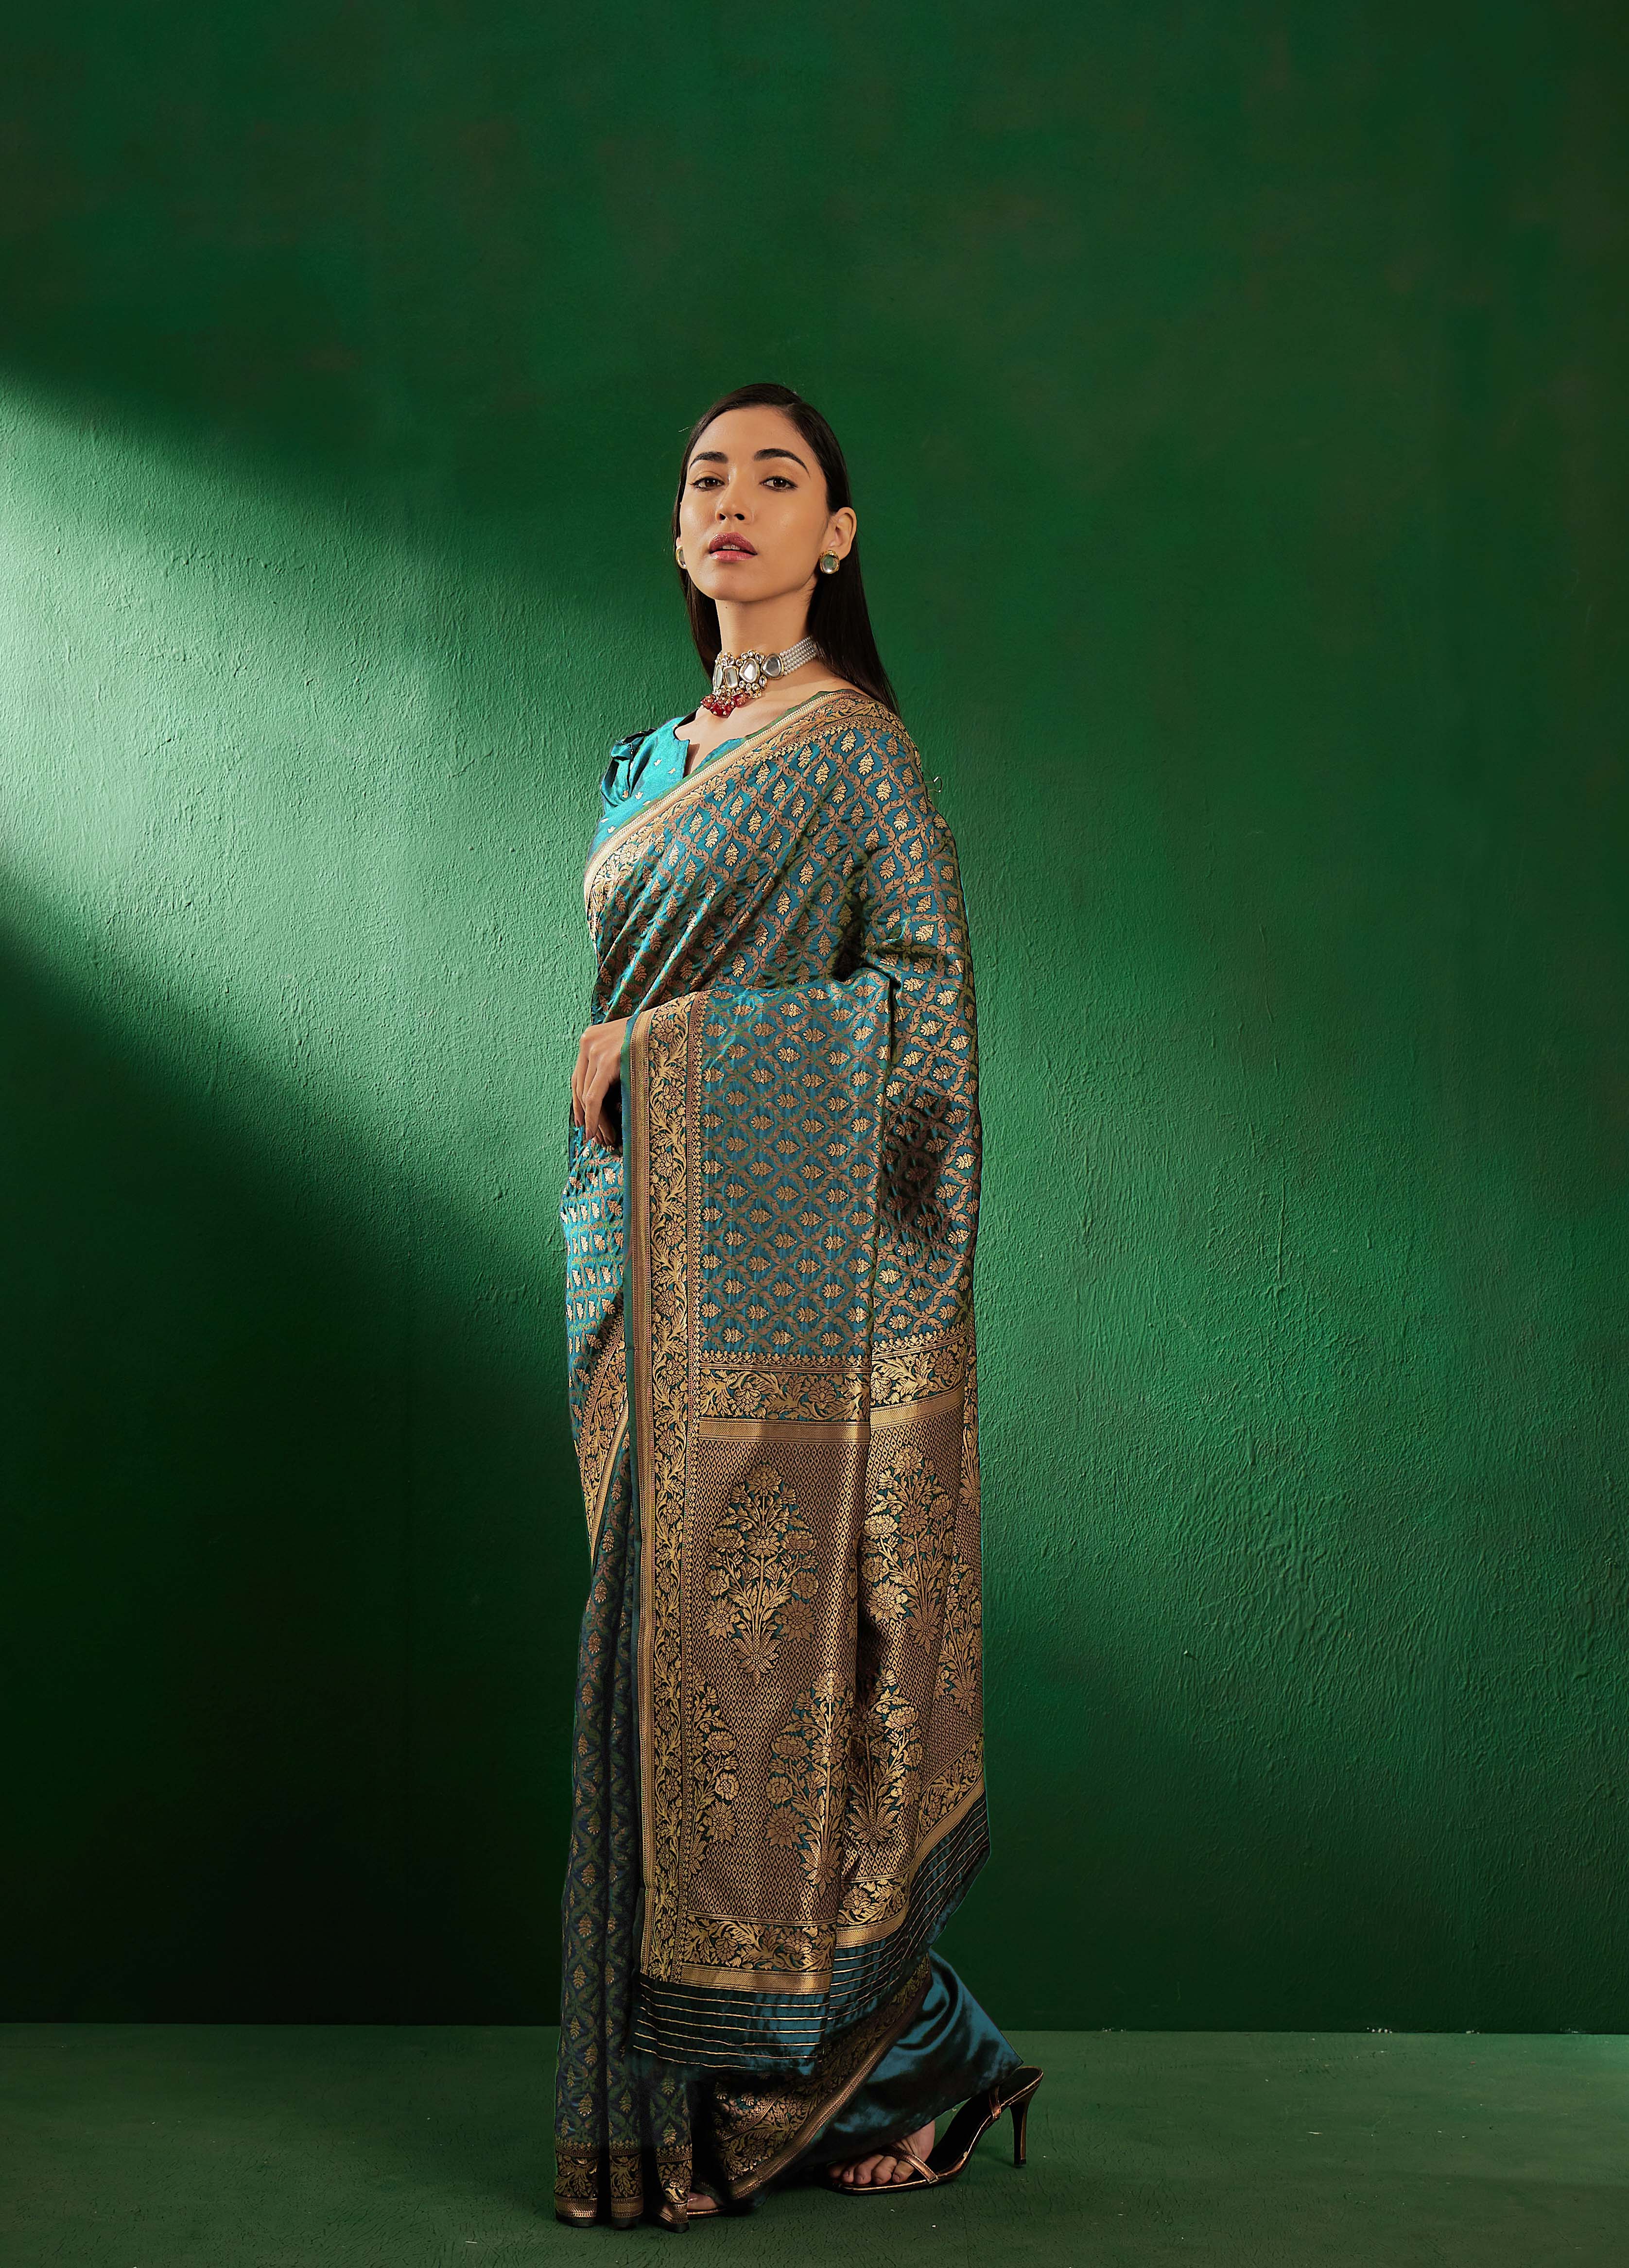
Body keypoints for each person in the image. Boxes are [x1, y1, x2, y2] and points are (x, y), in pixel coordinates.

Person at [552, 381, 1041, 2229]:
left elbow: (927, 1038)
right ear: (679, 530)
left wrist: (672, 1045)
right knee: (655, 1684)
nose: (733, 500)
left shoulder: (859, 760)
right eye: (706, 476)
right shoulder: (644, 762)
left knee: (780, 1683)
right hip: (632, 1260)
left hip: (786, 1312)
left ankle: (907, 2059)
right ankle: (705, 2095)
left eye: (778, 477)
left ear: (837, 535)